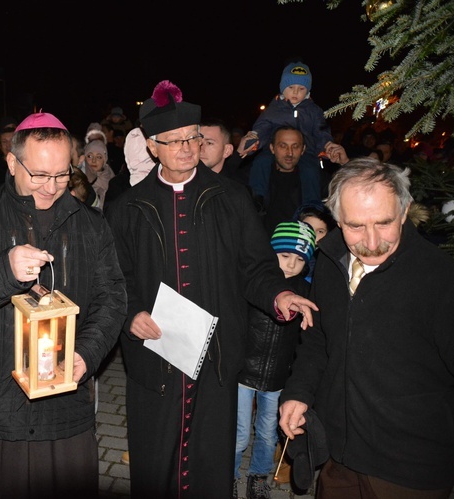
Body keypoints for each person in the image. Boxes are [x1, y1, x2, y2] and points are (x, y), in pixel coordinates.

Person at [104, 79, 317, 498]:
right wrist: (131, 314)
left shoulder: (231, 199)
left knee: (210, 461)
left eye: (193, 139)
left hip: (216, 354)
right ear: (151, 146)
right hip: (157, 353)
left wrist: (280, 294)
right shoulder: (127, 207)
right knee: (156, 459)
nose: (187, 148)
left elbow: (255, 267)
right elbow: (114, 277)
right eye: (174, 141)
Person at [0, 111, 126, 498]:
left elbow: (112, 299)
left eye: (61, 174)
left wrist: (87, 355)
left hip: (66, 407)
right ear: (11, 161)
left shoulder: (90, 224)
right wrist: (4, 269)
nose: (51, 186)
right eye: (39, 175)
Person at [279, 157, 454, 498]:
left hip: (410, 471)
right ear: (337, 219)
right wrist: (299, 392)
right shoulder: (329, 261)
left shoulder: (445, 282)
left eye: (384, 223)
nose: (371, 242)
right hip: (339, 457)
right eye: (355, 226)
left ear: (404, 211)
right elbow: (318, 339)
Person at [234, 220, 315, 499]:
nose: (291, 265)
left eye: (299, 259)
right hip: (245, 373)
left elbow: (308, 341)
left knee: (268, 434)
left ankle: (258, 477)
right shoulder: (256, 283)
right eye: (284, 256)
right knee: (240, 433)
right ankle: (229, 475)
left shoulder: (306, 293)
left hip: (278, 378)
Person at [241, 62, 336, 207]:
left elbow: (321, 130)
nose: (296, 92)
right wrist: (254, 137)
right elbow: (263, 125)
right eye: (291, 88)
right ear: (282, 88)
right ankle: (257, 197)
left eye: (301, 88)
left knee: (310, 170)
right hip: (274, 151)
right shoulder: (274, 109)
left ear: (308, 90)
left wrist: (326, 144)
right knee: (261, 163)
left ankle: (311, 206)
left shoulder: (314, 111)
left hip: (306, 151)